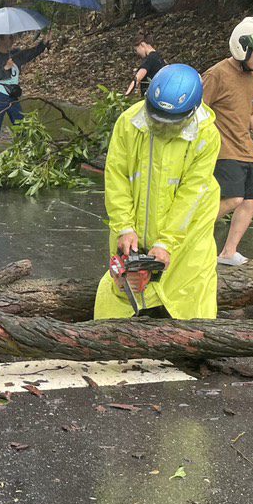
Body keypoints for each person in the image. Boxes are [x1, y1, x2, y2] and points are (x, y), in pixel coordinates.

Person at [94, 63, 222, 321]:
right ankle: (108, 342)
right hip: (135, 222)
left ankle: (192, 346)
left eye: (171, 124)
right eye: (157, 120)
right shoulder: (130, 123)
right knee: (123, 286)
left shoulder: (206, 135)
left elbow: (191, 194)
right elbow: (117, 177)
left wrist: (166, 242)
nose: (162, 128)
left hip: (188, 227)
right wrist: (124, 226)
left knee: (189, 287)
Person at [201, 17, 253, 267]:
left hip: (246, 149)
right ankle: (184, 235)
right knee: (233, 198)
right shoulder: (216, 74)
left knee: (251, 199)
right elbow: (197, 110)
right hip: (223, 150)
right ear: (242, 46)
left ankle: (228, 252)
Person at [0, 32, 49, 151]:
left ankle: (24, 154)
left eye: (13, 37)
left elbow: (30, 53)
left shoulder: (15, 54)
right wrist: (5, 68)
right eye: (9, 37)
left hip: (13, 95)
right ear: (0, 39)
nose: (12, 39)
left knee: (21, 126)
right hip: (0, 95)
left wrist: (44, 43)